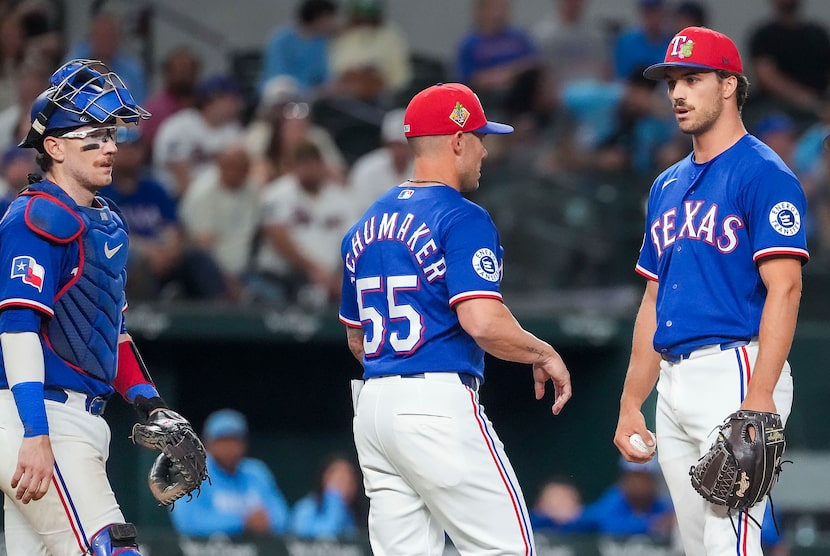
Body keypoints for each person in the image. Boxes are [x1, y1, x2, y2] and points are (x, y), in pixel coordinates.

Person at [339, 82, 572, 555]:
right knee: (509, 549)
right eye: (481, 137)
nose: (486, 149)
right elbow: (483, 322)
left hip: (375, 405)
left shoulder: (363, 223)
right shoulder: (462, 216)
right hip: (435, 402)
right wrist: (542, 351)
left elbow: (357, 340)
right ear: (458, 140)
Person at [613, 27, 808, 556]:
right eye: (671, 81)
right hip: (673, 381)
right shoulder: (666, 185)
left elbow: (785, 289)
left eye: (692, 79)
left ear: (728, 85)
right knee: (698, 546)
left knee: (732, 542)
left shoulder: (763, 174)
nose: (677, 92)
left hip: (737, 371)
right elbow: (653, 301)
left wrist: (761, 397)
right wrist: (633, 401)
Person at [0, 59, 203, 555]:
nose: (111, 147)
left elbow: (108, 329)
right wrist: (35, 432)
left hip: (81, 422)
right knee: (113, 548)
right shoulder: (36, 215)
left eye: (112, 135)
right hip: (36, 416)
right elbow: (18, 328)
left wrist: (150, 403)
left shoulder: (105, 221)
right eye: (93, 135)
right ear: (54, 147)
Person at [169, 408, 290, 538]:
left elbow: (283, 517)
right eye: (222, 440)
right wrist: (242, 522)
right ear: (207, 443)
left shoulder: (256, 472)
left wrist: (268, 522)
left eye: (235, 440)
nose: (229, 447)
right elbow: (188, 523)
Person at [568, 458, 675, 539]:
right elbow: (609, 524)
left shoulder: (661, 504)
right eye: (634, 477)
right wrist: (652, 524)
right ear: (623, 478)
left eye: (644, 478)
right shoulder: (614, 498)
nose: (638, 483)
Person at [259, 0, 339, 95]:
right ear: (318, 17)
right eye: (330, 18)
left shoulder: (320, 42)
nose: (333, 22)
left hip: (312, 93)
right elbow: (277, 73)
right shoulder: (282, 39)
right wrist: (305, 89)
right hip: (282, 90)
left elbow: (324, 73)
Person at [289, 453, 362, 539]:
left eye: (349, 478)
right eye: (339, 478)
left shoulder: (355, 514)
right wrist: (334, 497)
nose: (344, 483)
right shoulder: (306, 509)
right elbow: (325, 538)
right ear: (324, 478)